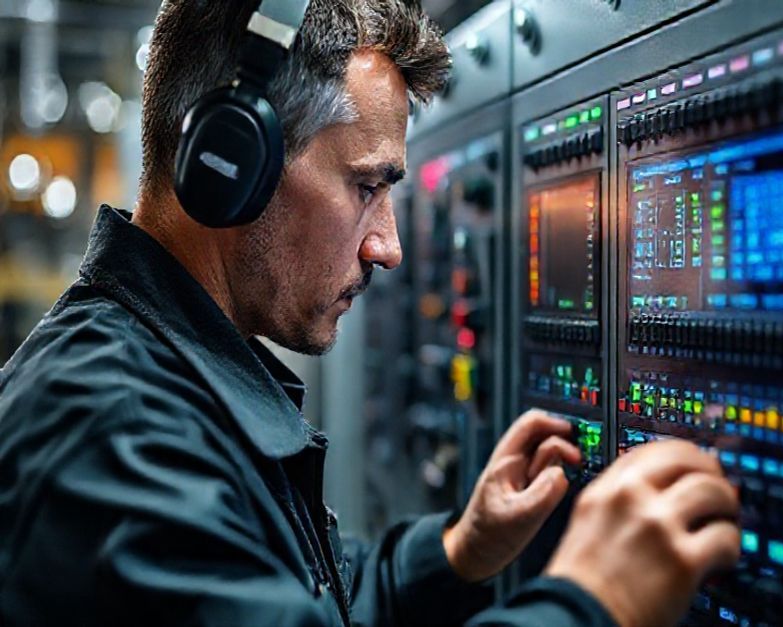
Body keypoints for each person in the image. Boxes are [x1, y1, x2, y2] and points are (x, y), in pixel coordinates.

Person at [0, 1, 740, 625]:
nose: (387, 246)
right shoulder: (112, 436)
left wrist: (457, 550)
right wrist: (595, 601)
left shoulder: (161, 381)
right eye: (365, 188)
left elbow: (294, 595)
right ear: (232, 159)